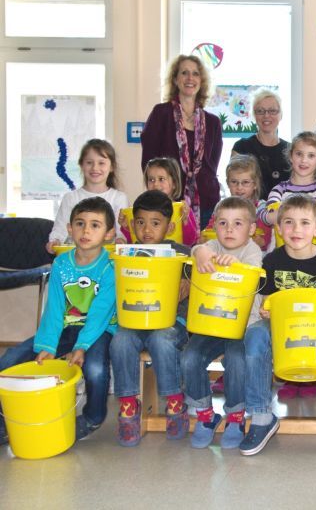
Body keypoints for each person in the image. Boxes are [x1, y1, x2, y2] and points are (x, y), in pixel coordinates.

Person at [0, 197, 117, 444]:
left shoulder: (110, 268)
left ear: (109, 234)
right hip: (66, 327)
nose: (86, 230)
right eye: (80, 223)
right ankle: (4, 422)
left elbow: (100, 314)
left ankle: (93, 417)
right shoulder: (61, 264)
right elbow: (54, 309)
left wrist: (82, 347)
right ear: (69, 229)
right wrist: (47, 347)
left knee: (95, 370)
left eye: (95, 225)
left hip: (99, 331)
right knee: (10, 359)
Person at [240, 194, 316, 456]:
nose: (296, 230)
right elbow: (266, 300)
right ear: (278, 227)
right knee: (254, 337)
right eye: (289, 222)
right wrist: (266, 309)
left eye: (305, 223)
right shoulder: (271, 261)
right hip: (283, 327)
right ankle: (262, 416)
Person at [110, 191, 191, 446]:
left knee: (162, 339)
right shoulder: (126, 253)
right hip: (134, 322)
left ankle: (175, 402)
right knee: (121, 340)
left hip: (171, 322)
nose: (147, 230)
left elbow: (199, 279)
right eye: (141, 222)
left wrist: (187, 283)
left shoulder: (181, 253)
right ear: (132, 224)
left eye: (155, 223)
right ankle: (127, 405)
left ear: (170, 226)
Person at [181, 197, 262, 450]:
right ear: (214, 225)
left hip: (242, 327)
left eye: (237, 223)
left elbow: (250, 272)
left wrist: (236, 266)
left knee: (237, 361)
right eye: (223, 223)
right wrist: (200, 251)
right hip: (211, 324)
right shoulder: (213, 245)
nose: (229, 229)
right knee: (189, 357)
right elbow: (196, 250)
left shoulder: (252, 250)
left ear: (250, 229)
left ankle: (236, 417)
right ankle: (206, 415)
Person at [141, 54, 223, 228]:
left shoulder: (213, 122)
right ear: (175, 79)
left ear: (202, 81)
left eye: (195, 73)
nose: (190, 78)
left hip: (207, 202)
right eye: (184, 73)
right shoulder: (160, 114)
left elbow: (212, 165)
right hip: (168, 203)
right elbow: (148, 162)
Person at [46, 139, 128, 253]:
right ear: (81, 165)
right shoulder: (70, 198)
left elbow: (122, 231)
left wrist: (121, 240)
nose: (95, 168)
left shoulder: (119, 198)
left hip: (106, 258)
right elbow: (60, 228)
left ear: (112, 167)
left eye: (101, 163)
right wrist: (55, 240)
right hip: (76, 257)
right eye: (89, 162)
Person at [120, 157, 199, 246]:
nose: (156, 184)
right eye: (151, 180)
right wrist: (127, 227)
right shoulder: (143, 209)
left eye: (161, 179)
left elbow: (190, 241)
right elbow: (136, 241)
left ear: (174, 184)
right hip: (149, 257)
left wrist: (185, 220)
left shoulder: (182, 210)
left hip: (175, 257)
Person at [204, 155, 271, 250]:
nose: (239, 187)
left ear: (255, 184)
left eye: (245, 182)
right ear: (227, 183)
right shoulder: (222, 208)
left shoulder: (261, 209)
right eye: (234, 182)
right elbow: (209, 232)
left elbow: (263, 241)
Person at [231, 88, 291, 196]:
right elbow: (235, 187)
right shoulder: (241, 147)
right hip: (250, 210)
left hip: (284, 210)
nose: (266, 115)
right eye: (260, 111)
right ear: (254, 115)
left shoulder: (291, 150)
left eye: (272, 111)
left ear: (281, 115)